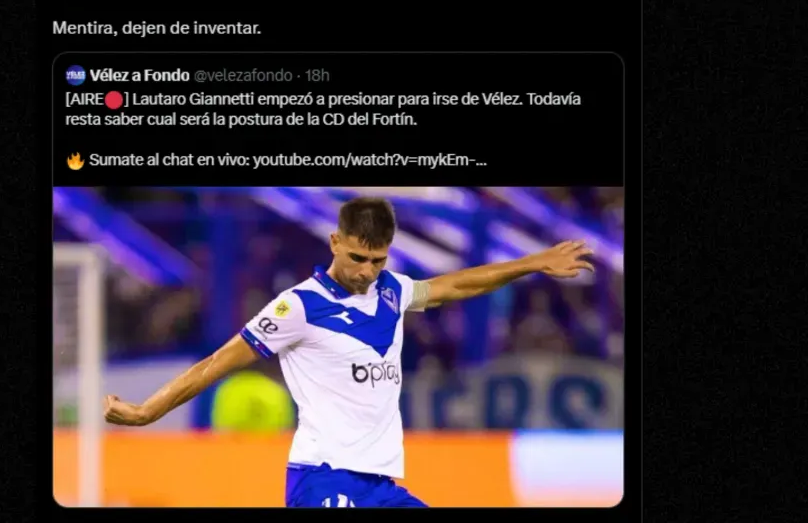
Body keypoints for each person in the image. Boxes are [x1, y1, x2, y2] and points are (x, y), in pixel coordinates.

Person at [103, 197, 595, 507]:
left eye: (377, 260)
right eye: (357, 257)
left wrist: (534, 262)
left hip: (381, 485)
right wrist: (149, 410)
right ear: (335, 241)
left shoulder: (392, 290)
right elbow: (218, 361)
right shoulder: (298, 306)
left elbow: (457, 285)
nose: (365, 270)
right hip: (323, 478)